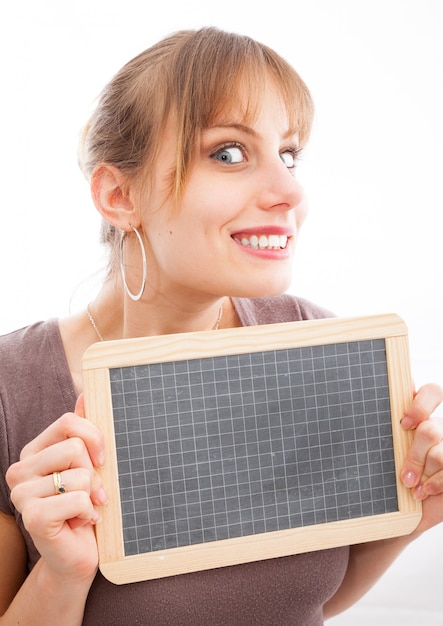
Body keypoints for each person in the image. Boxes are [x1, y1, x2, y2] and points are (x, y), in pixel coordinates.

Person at [0, 27, 442, 626]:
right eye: (229, 153)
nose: (289, 191)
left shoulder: (316, 343)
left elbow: (308, 600)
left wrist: (418, 507)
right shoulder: (12, 389)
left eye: (288, 154)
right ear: (118, 194)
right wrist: (62, 572)